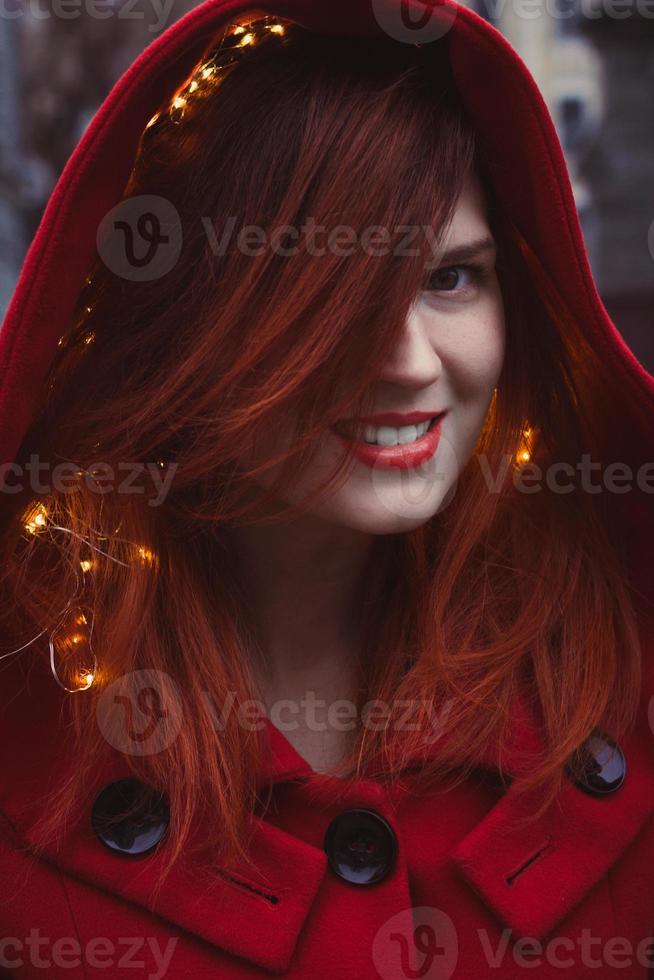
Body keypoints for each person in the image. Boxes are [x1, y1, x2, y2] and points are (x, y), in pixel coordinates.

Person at [0, 1, 653, 977]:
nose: (410, 361)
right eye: (329, 288)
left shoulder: (617, 665)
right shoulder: (38, 718)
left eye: (451, 278)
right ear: (181, 326)